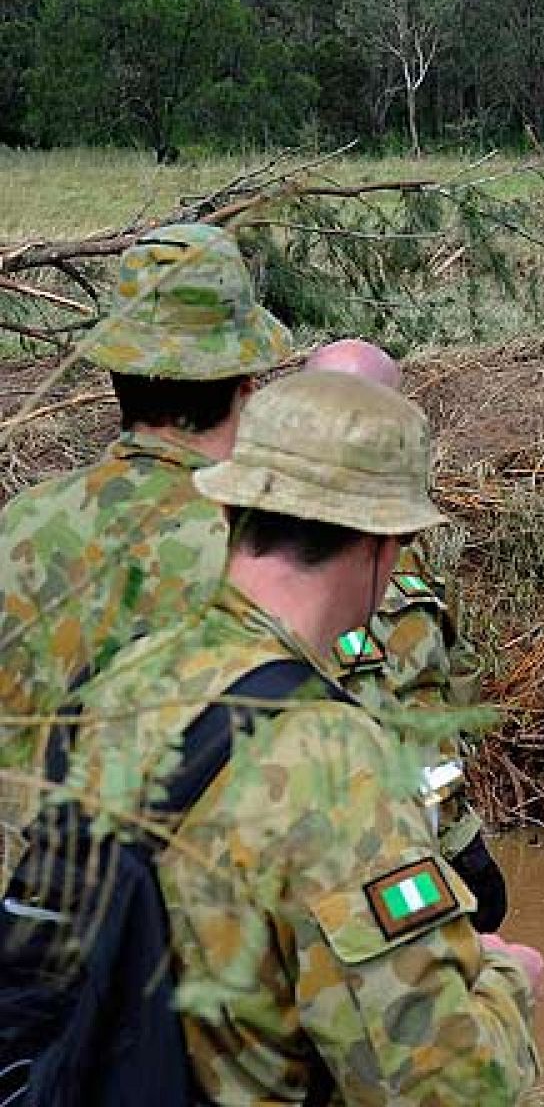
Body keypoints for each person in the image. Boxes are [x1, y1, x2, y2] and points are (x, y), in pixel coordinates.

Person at [58, 369, 542, 1104]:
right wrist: (508, 984)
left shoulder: (117, 683)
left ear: (234, 508)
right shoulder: (334, 758)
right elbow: (443, 1091)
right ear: (385, 543)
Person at [0, 223, 291, 826]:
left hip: (33, 899)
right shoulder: (265, 547)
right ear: (247, 386)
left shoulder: (21, 524)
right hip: (195, 910)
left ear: (117, 375)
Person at [305, 339, 508, 931]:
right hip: (344, 865)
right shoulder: (271, 557)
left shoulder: (403, 555)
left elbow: (446, 689)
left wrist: (460, 835)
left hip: (425, 844)